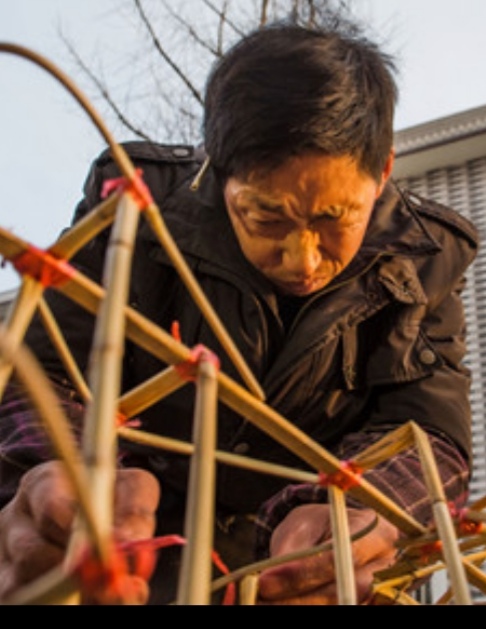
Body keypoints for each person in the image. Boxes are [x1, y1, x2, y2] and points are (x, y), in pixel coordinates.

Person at [0, 16, 479, 606]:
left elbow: (432, 434)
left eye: (334, 219)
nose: (303, 258)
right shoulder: (135, 211)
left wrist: (357, 507)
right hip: (143, 552)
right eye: (266, 217)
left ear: (382, 172)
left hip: (298, 569)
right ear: (217, 172)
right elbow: (43, 375)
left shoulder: (423, 259)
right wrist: (59, 474)